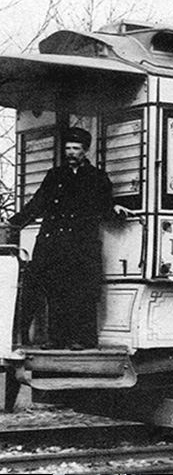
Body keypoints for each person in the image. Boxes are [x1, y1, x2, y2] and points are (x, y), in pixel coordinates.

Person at [9, 127, 121, 350]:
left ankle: (83, 339)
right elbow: (37, 203)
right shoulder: (55, 176)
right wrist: (15, 222)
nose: (70, 152)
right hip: (55, 243)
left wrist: (115, 209)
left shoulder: (97, 178)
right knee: (56, 290)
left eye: (76, 149)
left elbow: (105, 205)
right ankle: (57, 338)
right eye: (68, 148)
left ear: (85, 151)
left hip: (81, 243)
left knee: (81, 291)